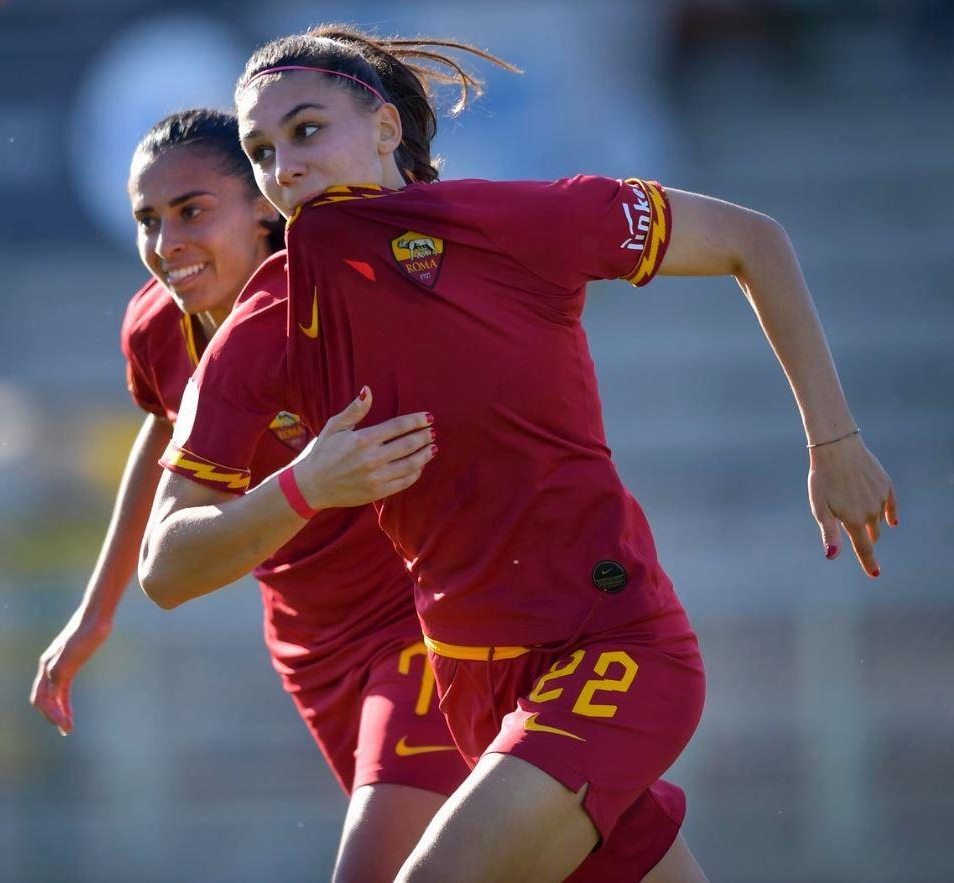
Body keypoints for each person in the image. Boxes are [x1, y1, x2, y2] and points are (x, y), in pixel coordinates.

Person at [139, 26, 898, 883]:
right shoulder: (266, 323)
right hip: (474, 686)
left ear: (385, 130)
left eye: (307, 131)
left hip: (615, 650)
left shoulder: (515, 222)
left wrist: (833, 444)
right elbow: (165, 567)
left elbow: (751, 241)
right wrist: (304, 487)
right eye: (262, 152)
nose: (285, 168)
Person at [29, 108, 472, 882]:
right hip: (312, 647)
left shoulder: (339, 293)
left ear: (266, 205)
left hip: (426, 622)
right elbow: (169, 437)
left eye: (192, 210)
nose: (166, 245)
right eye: (147, 220)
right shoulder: (157, 327)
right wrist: (96, 610)